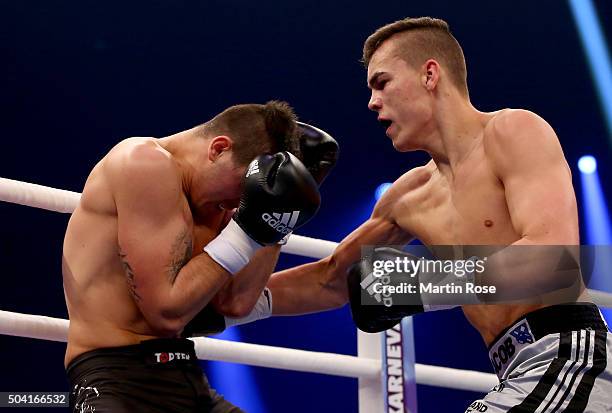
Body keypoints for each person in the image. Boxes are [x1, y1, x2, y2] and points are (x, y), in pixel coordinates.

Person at [258, 17, 610, 412]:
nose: (372, 102)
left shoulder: (513, 131)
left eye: (382, 82)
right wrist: (225, 304)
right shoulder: (408, 196)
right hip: (514, 372)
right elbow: (332, 279)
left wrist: (421, 286)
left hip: (570, 357)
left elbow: (554, 259)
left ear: (429, 74)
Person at [62, 100, 335, 412]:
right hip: (116, 381)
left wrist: (280, 214)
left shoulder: (217, 200)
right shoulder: (143, 164)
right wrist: (247, 228)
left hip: (187, 378)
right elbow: (166, 314)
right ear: (218, 148)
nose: (240, 203)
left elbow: (235, 302)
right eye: (245, 187)